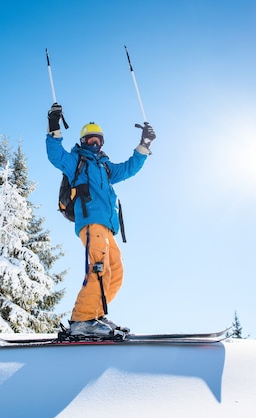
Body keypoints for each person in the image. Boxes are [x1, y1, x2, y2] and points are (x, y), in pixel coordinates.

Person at [45, 102, 156, 337]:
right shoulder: (77, 161)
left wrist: (144, 144)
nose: (94, 144)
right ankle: (81, 321)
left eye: (98, 140)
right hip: (90, 222)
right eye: (89, 140)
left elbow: (129, 168)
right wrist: (54, 125)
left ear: (102, 143)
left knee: (115, 272)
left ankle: (95, 314)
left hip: (107, 228)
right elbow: (55, 156)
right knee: (98, 269)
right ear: (83, 142)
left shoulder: (105, 167)